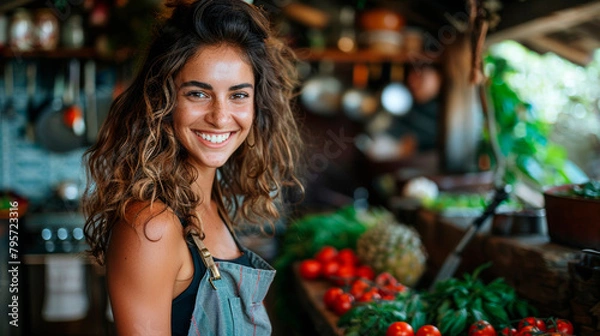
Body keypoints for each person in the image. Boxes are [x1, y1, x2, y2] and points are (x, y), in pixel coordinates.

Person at [82, 0, 304, 335]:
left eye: (238, 95)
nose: (220, 116)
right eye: (199, 94)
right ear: (163, 101)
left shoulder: (211, 203)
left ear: (258, 104)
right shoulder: (151, 227)